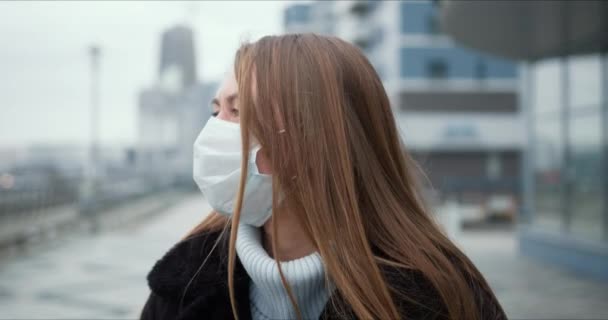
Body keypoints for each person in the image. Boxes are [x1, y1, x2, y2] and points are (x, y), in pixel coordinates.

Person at [140, 34, 507, 320]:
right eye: (217, 110)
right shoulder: (181, 289)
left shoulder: (442, 297)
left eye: (238, 111)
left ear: (316, 137)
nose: (214, 131)